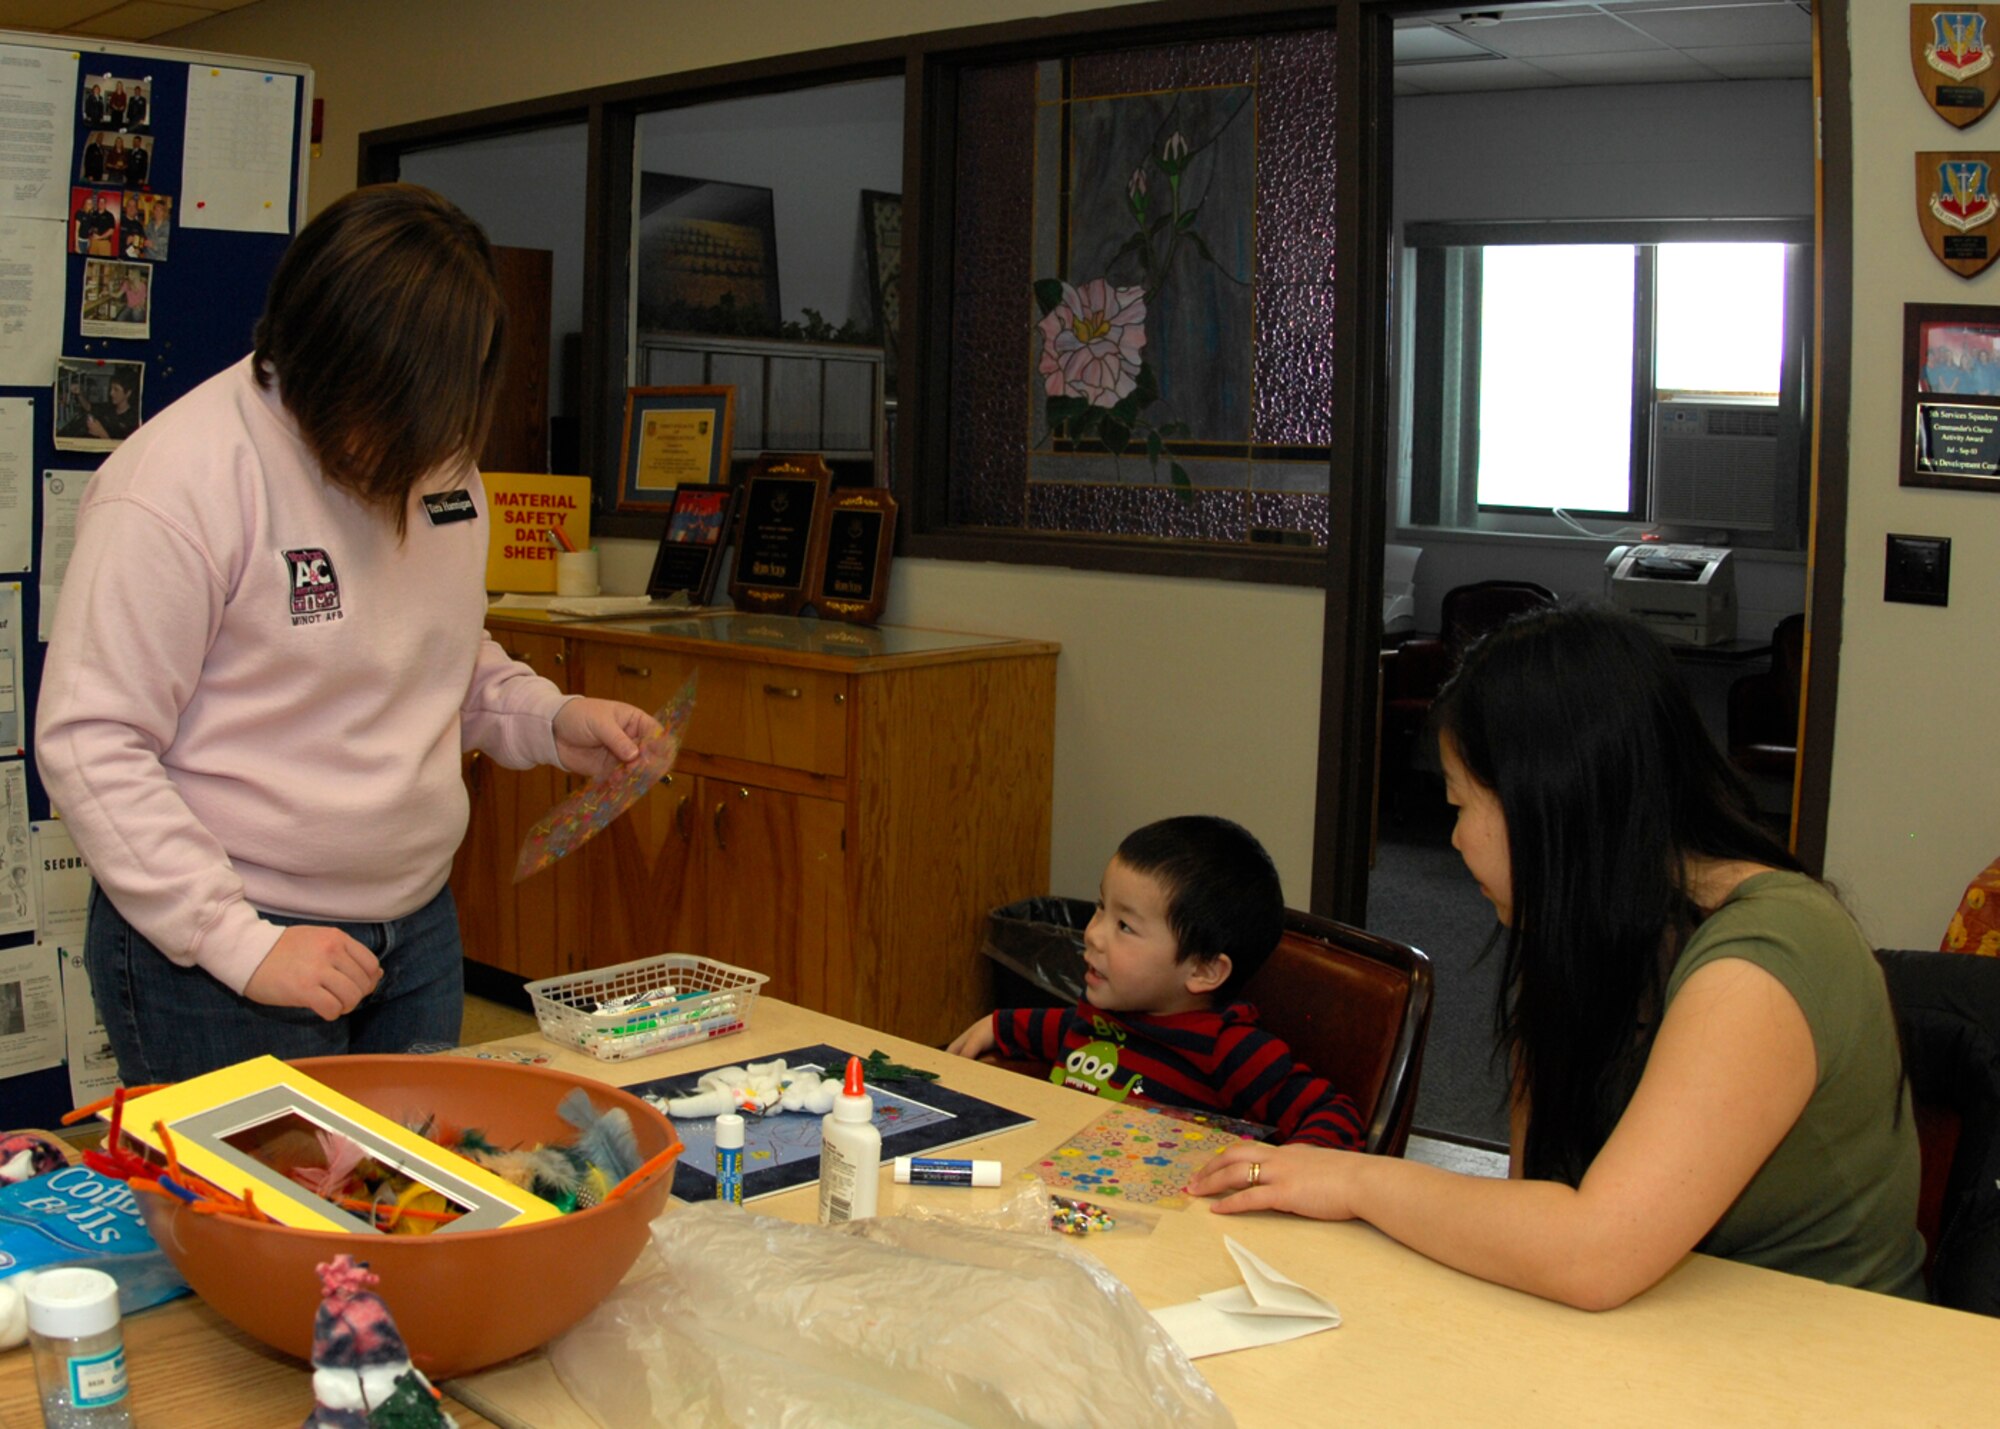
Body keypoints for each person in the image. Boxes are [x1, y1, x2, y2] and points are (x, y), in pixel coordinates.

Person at [36, 183, 660, 1084]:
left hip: (414, 934)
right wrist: (239, 943)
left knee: (406, 1215)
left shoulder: (441, 467)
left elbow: (437, 649)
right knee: (256, 1219)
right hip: (219, 953)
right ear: (317, 358)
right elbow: (91, 741)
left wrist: (550, 718)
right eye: (389, 412)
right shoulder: (178, 484)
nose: (414, 448)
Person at [1190, 606, 1926, 1307]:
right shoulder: (1585, 932)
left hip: (1815, 1362)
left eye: (1461, 805)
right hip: (1659, 1332)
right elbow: (1531, 1203)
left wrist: (1354, 1180)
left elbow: (1594, 1250)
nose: (1453, 841)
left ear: (1553, 800)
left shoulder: (1765, 955)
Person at [947, 815, 1366, 1148]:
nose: (1092, 933)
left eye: (1125, 926)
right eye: (1100, 908)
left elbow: (1337, 1119)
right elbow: (1061, 1028)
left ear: (1203, 971)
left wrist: (1295, 1160)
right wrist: (998, 1026)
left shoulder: (1228, 1049)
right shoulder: (1101, 1014)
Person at [83, 373, 138, 441]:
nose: (111, 393)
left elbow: (124, 448)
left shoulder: (133, 419)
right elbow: (88, 407)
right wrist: (79, 393)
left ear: (128, 393)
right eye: (111, 388)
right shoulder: (108, 408)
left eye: (116, 389)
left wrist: (101, 433)